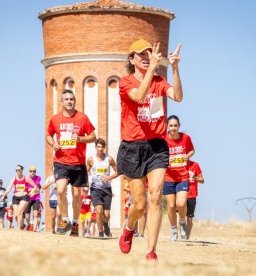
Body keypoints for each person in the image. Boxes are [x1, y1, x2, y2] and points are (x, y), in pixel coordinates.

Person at [117, 39, 183, 261]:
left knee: (155, 196)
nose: (146, 57)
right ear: (131, 59)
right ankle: (129, 225)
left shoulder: (160, 81)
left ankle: (151, 251)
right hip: (133, 147)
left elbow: (178, 96)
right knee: (140, 203)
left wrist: (174, 68)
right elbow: (139, 96)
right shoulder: (125, 82)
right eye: (140, 54)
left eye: (148, 53)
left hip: (157, 146)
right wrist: (152, 68)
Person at [46, 89, 96, 237]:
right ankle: (64, 219)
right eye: (66, 99)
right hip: (61, 160)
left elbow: (93, 136)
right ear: (61, 102)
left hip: (78, 162)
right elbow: (48, 135)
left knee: (76, 195)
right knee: (60, 190)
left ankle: (74, 223)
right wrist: (53, 143)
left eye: (71, 99)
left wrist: (80, 138)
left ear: (74, 101)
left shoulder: (82, 118)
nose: (69, 101)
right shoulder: (55, 119)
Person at [163, 115, 195, 240]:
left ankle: (182, 222)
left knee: (181, 204)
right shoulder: (164, 140)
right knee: (171, 206)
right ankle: (173, 229)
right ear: (167, 126)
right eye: (171, 126)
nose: (173, 128)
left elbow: (192, 150)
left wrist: (186, 157)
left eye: (175, 125)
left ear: (179, 126)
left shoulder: (186, 138)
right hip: (168, 177)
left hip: (182, 176)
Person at [86, 138, 119, 238]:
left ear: (104, 148)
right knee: (99, 211)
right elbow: (87, 170)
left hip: (107, 189)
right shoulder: (91, 159)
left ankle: (105, 225)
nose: (100, 149)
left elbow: (118, 171)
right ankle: (100, 233)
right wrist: (88, 173)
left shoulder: (109, 159)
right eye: (98, 147)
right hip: (95, 189)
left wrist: (109, 177)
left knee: (106, 214)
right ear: (95, 147)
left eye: (102, 147)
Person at [0, 165, 37, 230]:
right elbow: (9, 188)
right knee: (16, 215)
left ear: (22, 170)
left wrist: (32, 192)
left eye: (19, 170)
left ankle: (18, 228)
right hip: (15, 198)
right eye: (16, 170)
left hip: (24, 197)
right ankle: (22, 225)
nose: (17, 171)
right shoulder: (14, 178)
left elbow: (35, 187)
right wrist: (3, 195)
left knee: (19, 212)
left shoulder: (26, 178)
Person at [186, 160, 204, 239]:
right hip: (181, 194)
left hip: (192, 195)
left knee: (189, 218)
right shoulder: (178, 165)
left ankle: (187, 237)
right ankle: (180, 235)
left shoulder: (195, 165)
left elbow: (202, 180)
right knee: (180, 215)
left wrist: (194, 178)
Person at [25, 166, 42, 232]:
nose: (32, 172)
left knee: (35, 215)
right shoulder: (26, 178)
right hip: (28, 198)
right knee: (27, 215)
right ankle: (28, 224)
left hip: (36, 198)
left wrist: (33, 192)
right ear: (29, 172)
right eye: (31, 171)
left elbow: (38, 189)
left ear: (35, 172)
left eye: (34, 171)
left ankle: (34, 230)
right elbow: (24, 188)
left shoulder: (38, 178)